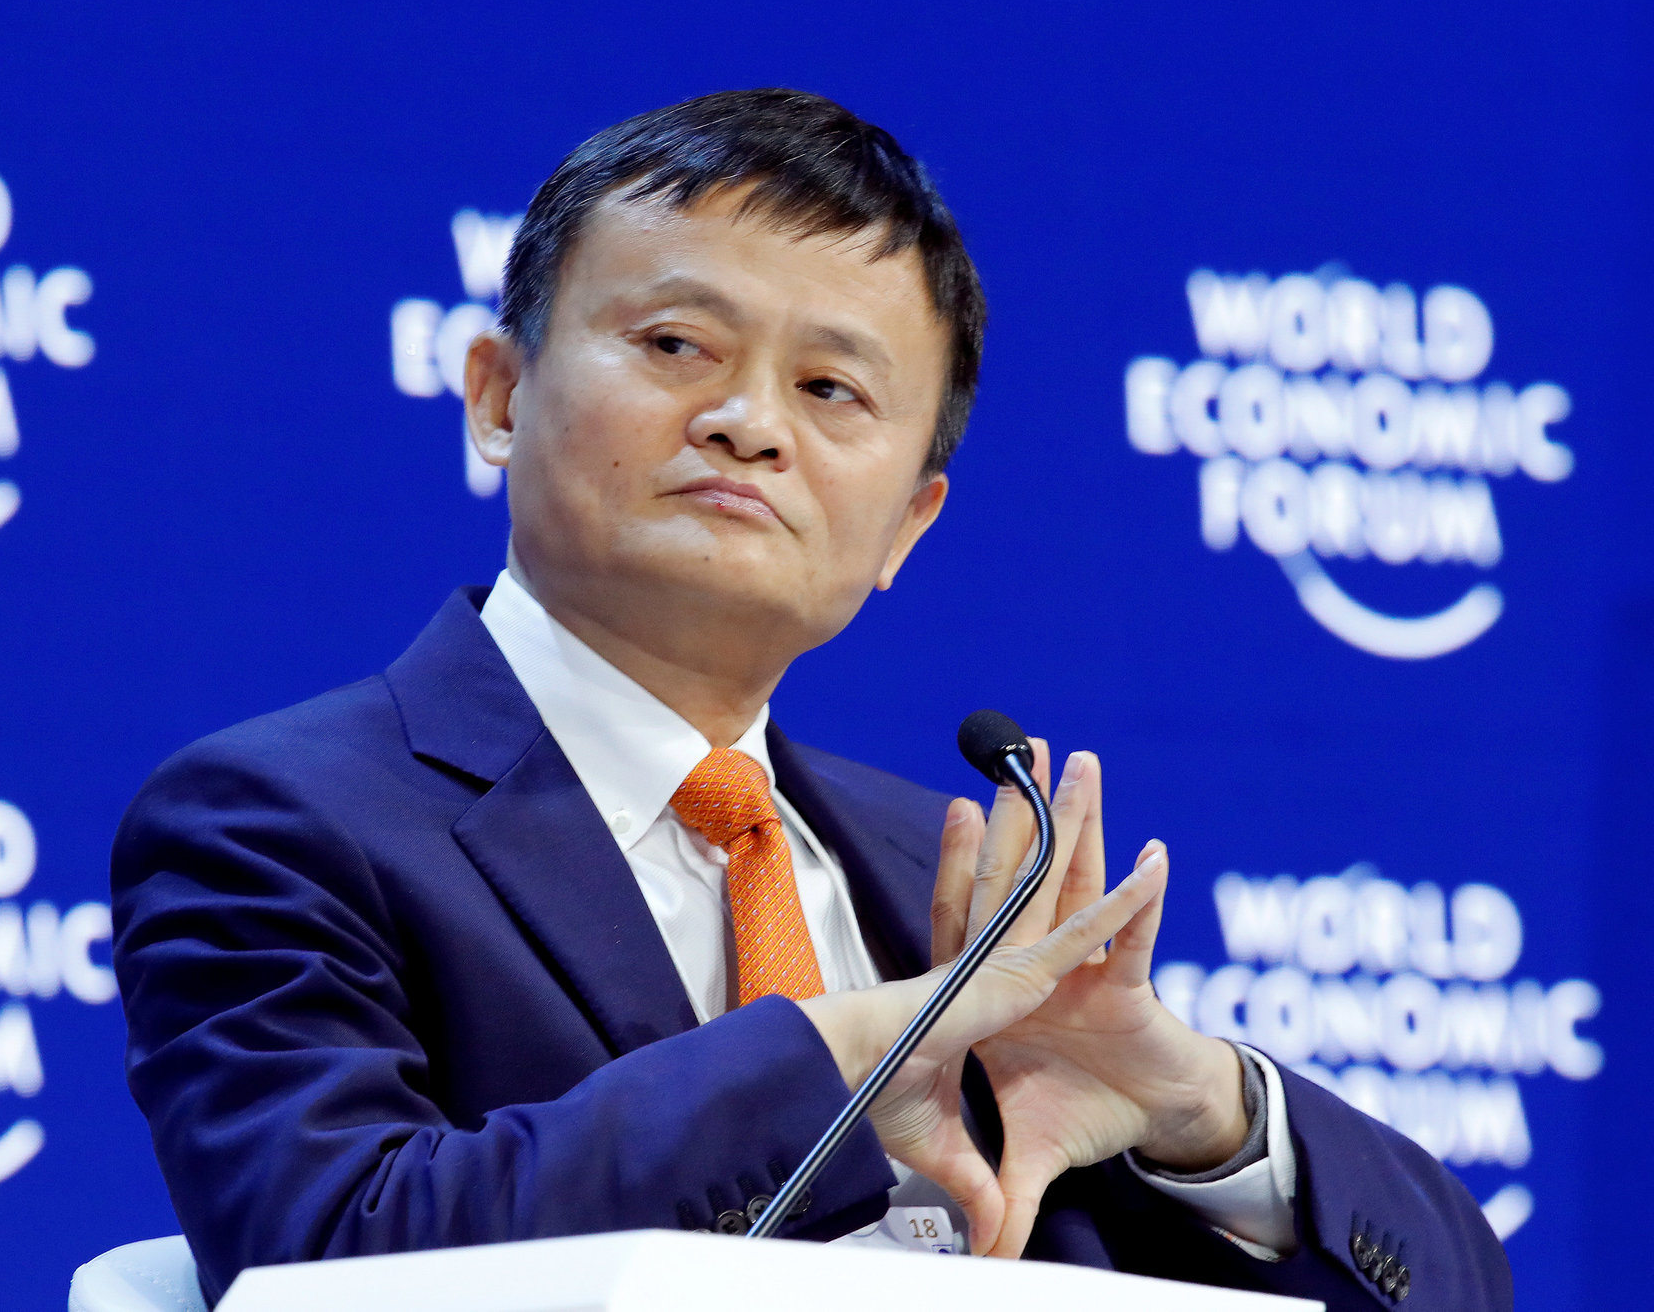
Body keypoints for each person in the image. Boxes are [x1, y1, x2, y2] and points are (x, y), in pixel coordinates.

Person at [111, 89, 1510, 1308]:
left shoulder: (954, 884)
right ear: (498, 395)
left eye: (832, 387)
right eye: (676, 346)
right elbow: (328, 1262)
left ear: (909, 522)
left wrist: (1195, 1108)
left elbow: (1459, 1289)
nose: (750, 423)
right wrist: (844, 1054)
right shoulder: (283, 822)